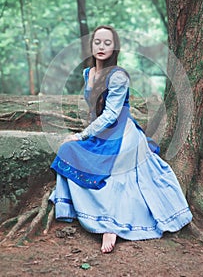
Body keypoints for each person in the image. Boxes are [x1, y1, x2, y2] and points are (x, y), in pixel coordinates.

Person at [49, 25, 192, 253]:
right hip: (100, 133)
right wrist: (83, 135)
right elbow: (93, 111)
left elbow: (111, 115)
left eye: (107, 42)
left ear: (115, 47)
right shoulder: (88, 74)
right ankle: (67, 208)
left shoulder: (118, 76)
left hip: (122, 133)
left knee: (118, 176)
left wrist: (82, 134)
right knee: (67, 151)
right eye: (98, 42)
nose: (102, 47)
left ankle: (111, 224)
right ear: (91, 45)